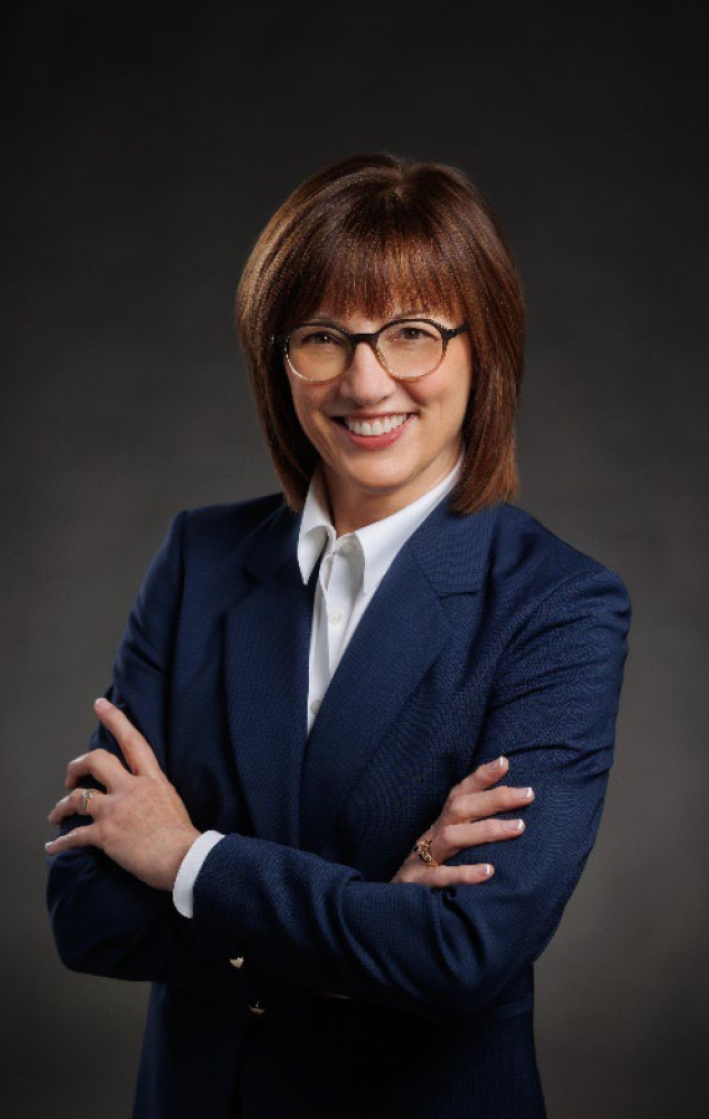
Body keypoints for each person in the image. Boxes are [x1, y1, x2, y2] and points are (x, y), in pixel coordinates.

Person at [45, 153, 631, 1119]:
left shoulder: (560, 605)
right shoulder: (198, 559)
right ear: (276, 357)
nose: (366, 380)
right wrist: (371, 922)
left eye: (412, 334)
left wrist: (187, 860)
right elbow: (86, 912)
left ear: (483, 347)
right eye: (323, 336)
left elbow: (461, 954)